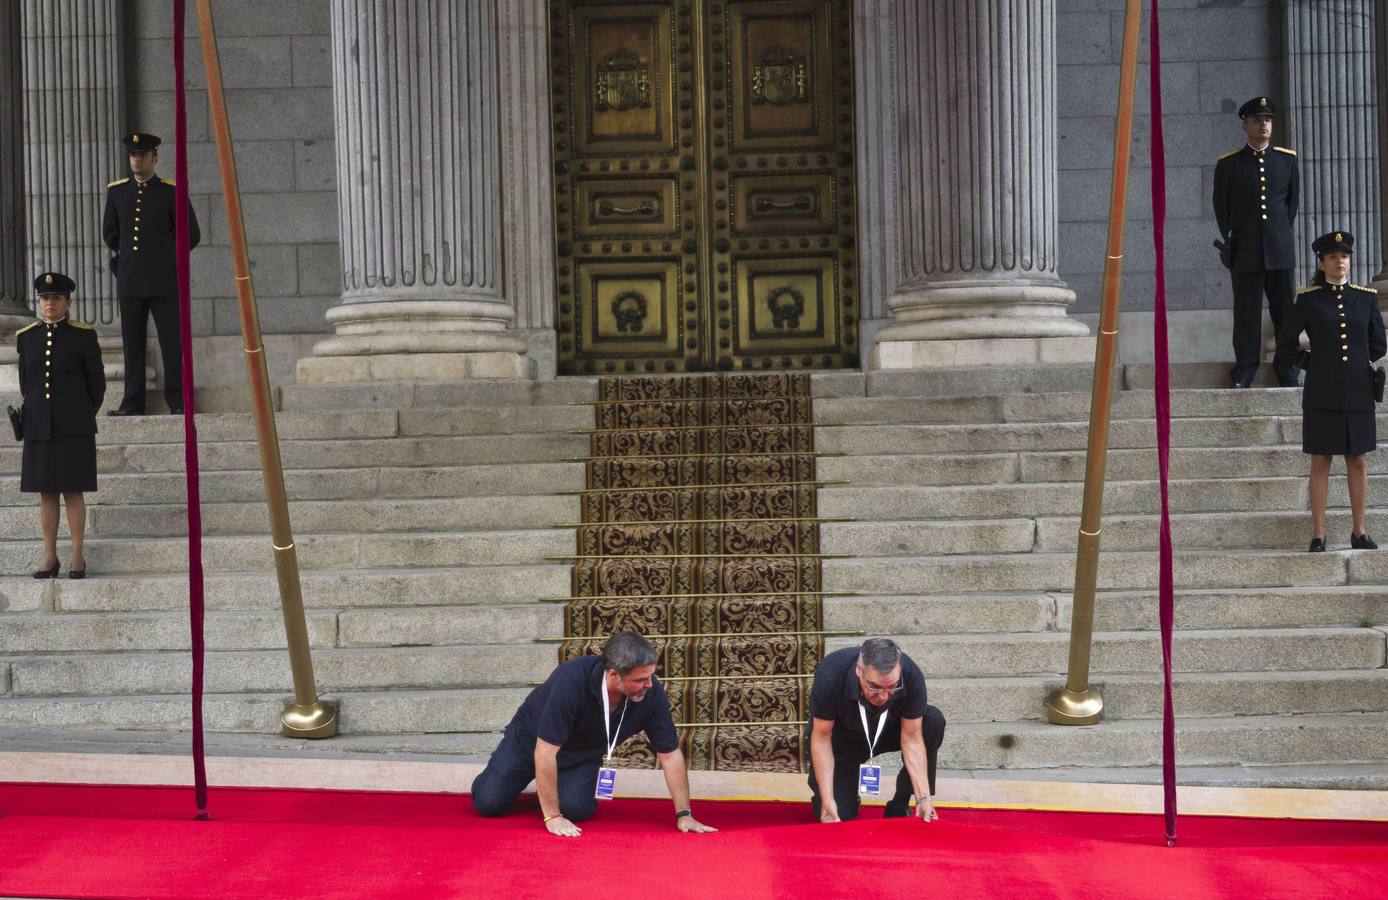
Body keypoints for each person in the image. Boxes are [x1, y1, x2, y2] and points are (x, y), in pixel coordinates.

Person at [470, 631, 717, 838]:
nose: (650, 684)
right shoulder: (570, 680)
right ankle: (513, 778)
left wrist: (684, 814)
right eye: (641, 679)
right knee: (488, 803)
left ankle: (551, 789)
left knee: (577, 809)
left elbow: (670, 755)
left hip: (582, 754)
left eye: (651, 675)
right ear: (613, 675)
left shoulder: (650, 693)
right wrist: (552, 816)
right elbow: (545, 751)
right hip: (530, 743)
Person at [1277, 231, 1386, 552]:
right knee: (1321, 459)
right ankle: (1319, 534)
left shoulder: (1365, 298)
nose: (1341, 262)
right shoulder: (1309, 299)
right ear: (1322, 263)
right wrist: (1314, 363)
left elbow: (1378, 344)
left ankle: (1359, 531)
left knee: (1357, 460)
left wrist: (1357, 363)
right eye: (1334, 257)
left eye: (1345, 256)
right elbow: (1285, 346)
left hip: (1357, 390)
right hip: (1321, 391)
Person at [102, 132, 200, 416]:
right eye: (133, 155)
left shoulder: (171, 191)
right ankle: (132, 403)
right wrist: (130, 261)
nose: (137, 159)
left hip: (164, 280)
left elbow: (190, 234)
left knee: (172, 342)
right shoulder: (118, 191)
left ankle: (178, 401)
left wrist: (164, 257)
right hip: (130, 279)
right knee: (132, 345)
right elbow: (110, 233)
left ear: (154, 158)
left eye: (142, 155)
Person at [17, 273, 106, 578]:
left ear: (68, 301)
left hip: (74, 426)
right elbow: (26, 385)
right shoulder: (26, 337)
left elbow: (97, 386)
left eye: (56, 298)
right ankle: (49, 557)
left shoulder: (83, 336)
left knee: (73, 492)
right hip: (39, 426)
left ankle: (78, 556)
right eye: (44, 298)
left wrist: (79, 413)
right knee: (46, 494)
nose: (49, 303)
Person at [1213, 96, 1301, 389]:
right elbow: (1221, 208)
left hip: (1279, 249)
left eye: (1268, 120)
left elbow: (1290, 206)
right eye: (1257, 120)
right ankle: (1245, 368)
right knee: (1246, 313)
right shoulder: (1229, 164)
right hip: (1246, 250)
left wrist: (1276, 235)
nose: (1264, 124)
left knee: (1285, 313)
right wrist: (1234, 239)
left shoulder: (1287, 160)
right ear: (1245, 125)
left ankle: (1287, 368)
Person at [806, 638, 945, 823]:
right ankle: (846, 796)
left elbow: (912, 739)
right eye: (875, 686)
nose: (883, 696)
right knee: (839, 812)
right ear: (859, 670)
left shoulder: (911, 675)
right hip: (841, 741)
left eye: (892, 687)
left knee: (932, 720)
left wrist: (924, 797)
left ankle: (900, 802)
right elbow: (821, 739)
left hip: (887, 731)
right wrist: (828, 798)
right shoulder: (831, 673)